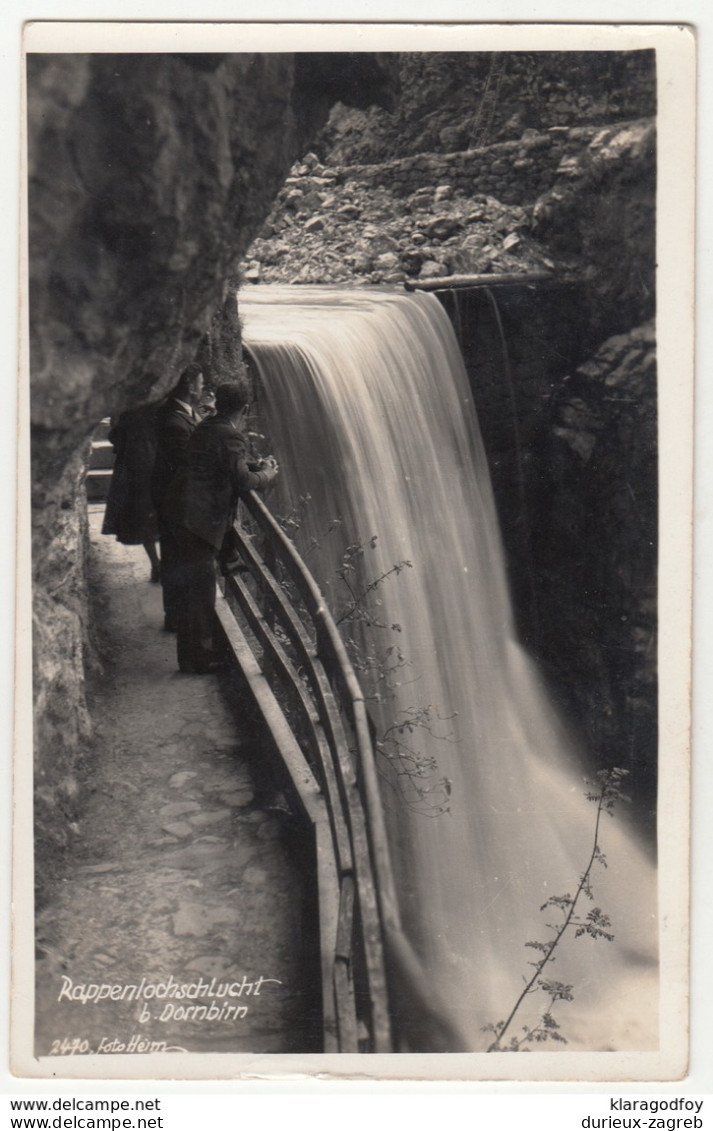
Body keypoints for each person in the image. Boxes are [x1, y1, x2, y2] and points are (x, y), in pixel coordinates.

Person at [167, 381, 279, 674]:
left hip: (182, 515)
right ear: (245, 408)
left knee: (193, 591)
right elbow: (242, 482)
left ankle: (190, 656)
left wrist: (253, 465)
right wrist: (266, 474)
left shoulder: (206, 426)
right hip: (200, 523)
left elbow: (225, 465)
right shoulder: (230, 436)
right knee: (202, 594)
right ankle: (200, 660)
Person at [151, 363, 206, 632]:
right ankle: (175, 618)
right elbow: (186, 465)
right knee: (175, 562)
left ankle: (177, 616)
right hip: (176, 505)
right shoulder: (174, 422)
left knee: (176, 561)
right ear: (188, 386)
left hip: (178, 503)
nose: (203, 387)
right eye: (200, 383)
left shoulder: (183, 414)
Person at [101, 404, 161, 582]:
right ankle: (158, 565)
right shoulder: (154, 405)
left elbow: (115, 436)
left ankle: (156, 564)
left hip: (135, 465)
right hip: (152, 461)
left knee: (146, 518)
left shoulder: (127, 406)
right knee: (155, 517)